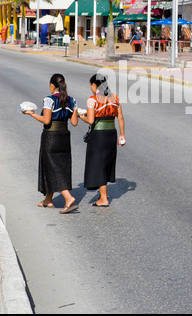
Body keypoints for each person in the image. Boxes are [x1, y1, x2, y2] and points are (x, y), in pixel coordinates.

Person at [23, 74, 79, 214]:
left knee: (52, 167)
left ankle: (68, 198)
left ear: (52, 86)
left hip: (51, 137)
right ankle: (48, 200)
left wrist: (31, 114)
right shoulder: (72, 100)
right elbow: (74, 122)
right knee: (58, 166)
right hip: (65, 137)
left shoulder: (49, 100)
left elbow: (46, 121)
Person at [79, 73, 125, 207]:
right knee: (106, 163)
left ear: (94, 85)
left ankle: (103, 198)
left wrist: (81, 116)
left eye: (91, 86)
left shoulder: (92, 100)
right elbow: (120, 117)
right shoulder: (114, 98)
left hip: (99, 135)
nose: (91, 88)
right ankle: (103, 194)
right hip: (112, 133)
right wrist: (122, 135)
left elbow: (91, 120)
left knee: (98, 164)